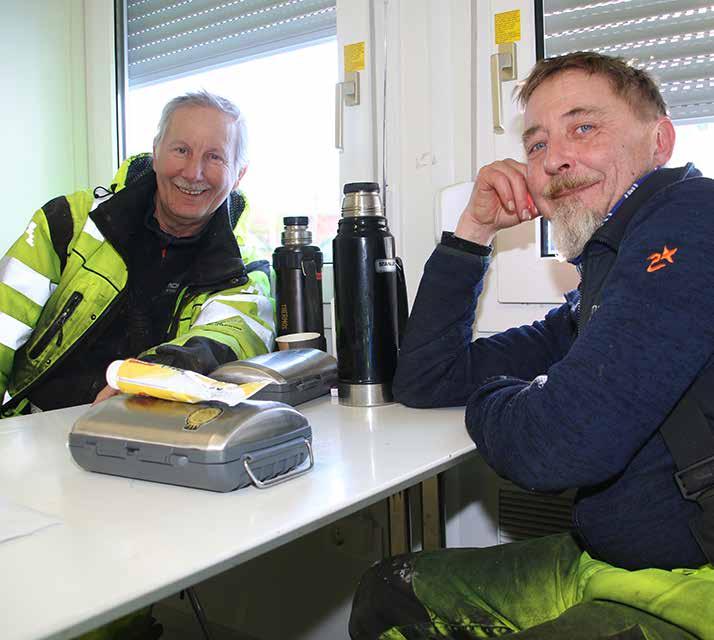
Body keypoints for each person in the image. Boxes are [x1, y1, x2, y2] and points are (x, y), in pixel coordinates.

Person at [349, 52, 714, 639]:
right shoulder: (598, 289)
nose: (556, 160)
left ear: (660, 141)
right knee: (389, 594)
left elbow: (561, 445)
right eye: (537, 144)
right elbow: (426, 379)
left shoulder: (695, 219)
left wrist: (500, 398)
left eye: (584, 128)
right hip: (611, 566)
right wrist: (473, 230)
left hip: (692, 588)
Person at [0, 91, 274, 418]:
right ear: (156, 151)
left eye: (214, 157)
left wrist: (145, 378)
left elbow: (230, 336)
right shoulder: (68, 221)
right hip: (38, 423)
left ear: (238, 175)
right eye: (181, 150)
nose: (193, 172)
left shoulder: (244, 267)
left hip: (153, 431)